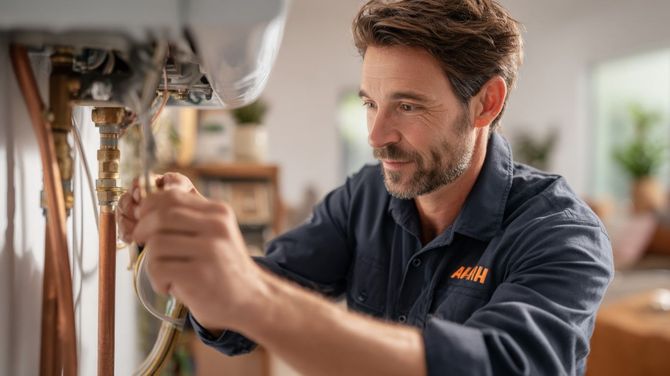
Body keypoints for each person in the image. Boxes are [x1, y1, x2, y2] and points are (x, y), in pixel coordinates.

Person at [118, 0, 613, 374]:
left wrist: (252, 296)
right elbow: (246, 312)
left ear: (486, 103)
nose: (376, 137)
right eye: (370, 104)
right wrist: (196, 250)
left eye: (409, 106)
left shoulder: (562, 235)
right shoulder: (367, 196)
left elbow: (493, 365)